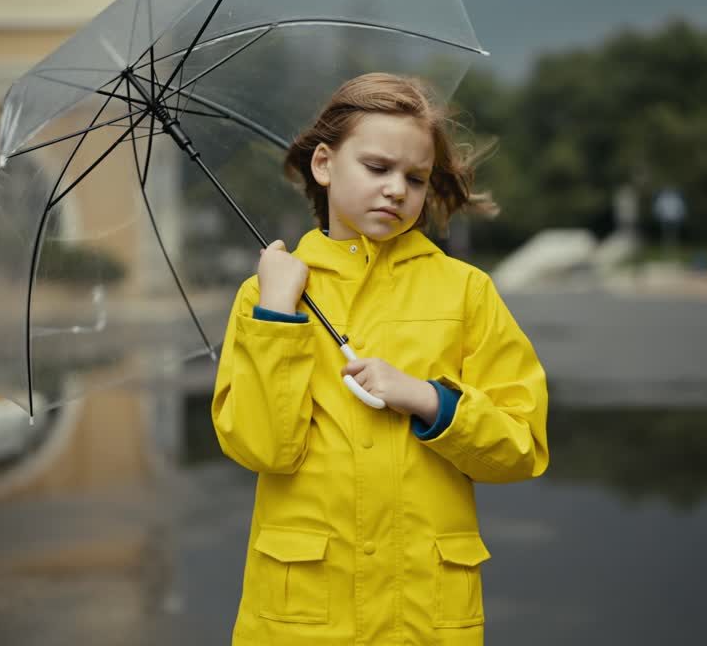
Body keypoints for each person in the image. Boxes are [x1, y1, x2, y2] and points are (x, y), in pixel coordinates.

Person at [211, 72, 549, 646]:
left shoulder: (463, 292)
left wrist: (430, 400)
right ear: (324, 164)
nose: (397, 190)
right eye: (377, 168)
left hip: (422, 616)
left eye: (415, 178)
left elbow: (521, 445)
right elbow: (262, 447)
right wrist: (276, 312)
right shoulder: (269, 294)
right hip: (302, 620)